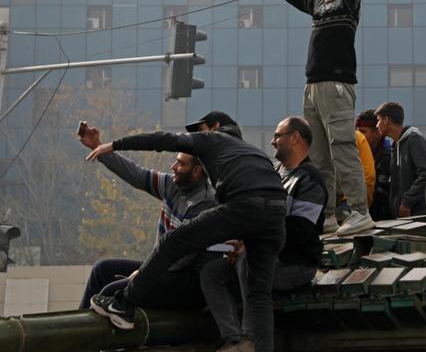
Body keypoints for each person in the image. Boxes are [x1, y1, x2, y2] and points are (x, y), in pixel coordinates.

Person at [86, 111, 287, 352]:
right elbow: (262, 192)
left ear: (213, 126)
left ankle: (124, 305)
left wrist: (115, 144)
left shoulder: (211, 139)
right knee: (259, 294)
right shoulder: (252, 152)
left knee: (173, 241)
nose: (194, 135)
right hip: (275, 213)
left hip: (246, 205)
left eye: (198, 129)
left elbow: (163, 140)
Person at [244, 0, 373, 236]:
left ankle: (359, 212)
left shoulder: (349, 2)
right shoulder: (317, 6)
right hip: (312, 87)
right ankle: (327, 215)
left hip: (337, 86)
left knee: (342, 146)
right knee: (318, 156)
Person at [199, 116, 327, 352]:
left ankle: (253, 342)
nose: (272, 141)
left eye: (277, 136)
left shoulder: (309, 180)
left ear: (295, 137)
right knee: (211, 273)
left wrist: (252, 245)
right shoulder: (274, 173)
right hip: (267, 254)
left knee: (251, 263)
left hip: (295, 263)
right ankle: (233, 339)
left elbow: (300, 231)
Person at [78, 123, 216, 311]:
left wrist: (144, 274)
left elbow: (181, 258)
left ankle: (98, 337)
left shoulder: (204, 204)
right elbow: (135, 174)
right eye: (176, 161)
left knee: (111, 292)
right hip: (161, 269)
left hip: (185, 282)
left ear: (197, 171)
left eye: (181, 163)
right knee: (101, 270)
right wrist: (98, 147)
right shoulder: (172, 185)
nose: (173, 166)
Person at [375, 102, 426, 217]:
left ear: (386, 120)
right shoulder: (396, 146)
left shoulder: (414, 139)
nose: (377, 125)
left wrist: (407, 202)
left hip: (418, 217)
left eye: (378, 120)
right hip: (403, 218)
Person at [356, 110, 392, 220]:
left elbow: (381, 193)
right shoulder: (359, 154)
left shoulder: (388, 155)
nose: (359, 137)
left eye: (363, 132)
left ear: (377, 132)